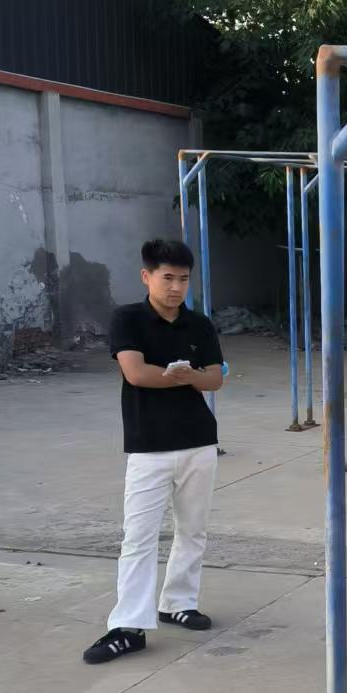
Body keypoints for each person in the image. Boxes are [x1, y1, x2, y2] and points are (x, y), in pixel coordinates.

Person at [82, 238, 226, 665]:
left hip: (199, 440)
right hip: (149, 445)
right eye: (167, 278)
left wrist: (188, 376)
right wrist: (184, 376)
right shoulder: (128, 319)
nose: (176, 287)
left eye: (183, 279)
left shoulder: (199, 325)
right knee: (139, 537)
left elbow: (216, 379)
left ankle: (178, 602)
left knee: (193, 529)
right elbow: (136, 373)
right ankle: (128, 627)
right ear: (147, 277)